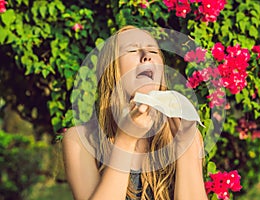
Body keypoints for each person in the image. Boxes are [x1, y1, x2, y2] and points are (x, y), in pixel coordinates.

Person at [62, 25, 208, 200]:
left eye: (153, 52)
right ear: (112, 70)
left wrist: (186, 147)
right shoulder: (80, 140)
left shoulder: (184, 132)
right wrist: (125, 140)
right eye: (132, 50)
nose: (146, 56)